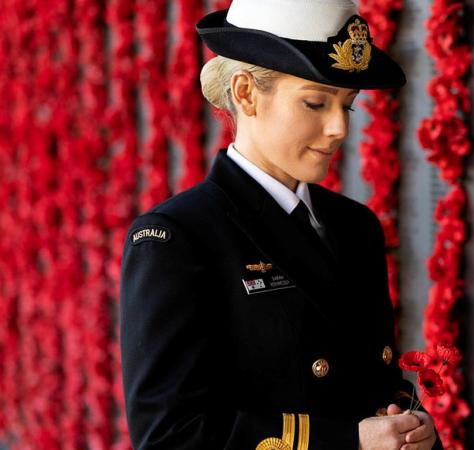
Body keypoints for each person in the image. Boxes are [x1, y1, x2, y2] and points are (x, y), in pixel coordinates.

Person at [120, 1, 441, 449]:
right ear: (246, 92)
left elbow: (375, 379)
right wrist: (350, 442)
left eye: (347, 106)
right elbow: (170, 436)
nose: (338, 129)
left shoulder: (355, 225)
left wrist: (410, 428)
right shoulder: (178, 238)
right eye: (315, 102)